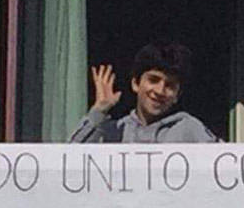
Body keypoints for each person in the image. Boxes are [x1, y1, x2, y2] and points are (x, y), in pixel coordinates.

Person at [68, 41, 221, 143]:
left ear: (177, 96)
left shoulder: (189, 128)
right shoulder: (112, 131)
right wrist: (99, 111)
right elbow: (68, 164)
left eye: (169, 86)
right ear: (135, 83)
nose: (160, 91)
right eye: (153, 80)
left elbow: (227, 166)